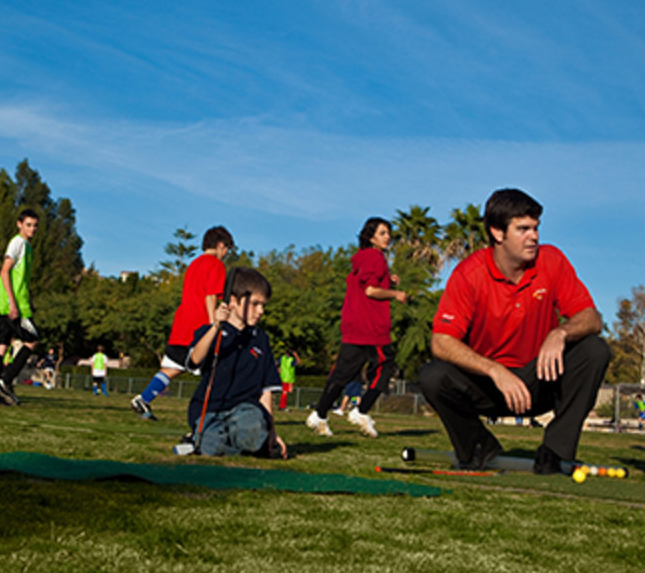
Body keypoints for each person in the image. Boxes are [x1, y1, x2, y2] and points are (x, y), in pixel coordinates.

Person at [419, 189, 609, 472]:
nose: (533, 236)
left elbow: (592, 317)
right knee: (432, 375)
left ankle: (555, 452)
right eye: (523, 229)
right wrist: (495, 371)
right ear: (497, 233)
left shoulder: (552, 260)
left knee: (594, 349)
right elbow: (441, 342)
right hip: (488, 386)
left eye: (535, 228)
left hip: (540, 380)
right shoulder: (468, 274)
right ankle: (478, 447)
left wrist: (560, 334)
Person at [307, 217, 408, 438]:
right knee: (385, 367)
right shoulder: (375, 257)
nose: (388, 237)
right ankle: (361, 412)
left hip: (354, 324)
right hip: (371, 327)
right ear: (371, 237)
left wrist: (387, 281)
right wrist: (395, 293)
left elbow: (363, 282)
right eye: (382, 233)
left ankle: (320, 414)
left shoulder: (362, 258)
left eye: (389, 233)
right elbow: (370, 290)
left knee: (344, 373)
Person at [131, 226, 234, 420]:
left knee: (172, 368)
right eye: (227, 248)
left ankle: (143, 399)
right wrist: (215, 324)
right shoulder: (215, 265)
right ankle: (216, 413)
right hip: (199, 327)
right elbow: (210, 295)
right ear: (220, 245)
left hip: (181, 325)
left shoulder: (193, 264)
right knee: (219, 368)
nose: (226, 253)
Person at [184, 268, 287, 458]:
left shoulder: (261, 339)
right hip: (209, 410)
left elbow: (267, 389)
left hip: (245, 410)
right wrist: (216, 326)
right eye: (255, 304)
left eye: (263, 305)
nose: (261, 311)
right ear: (232, 301)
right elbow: (194, 361)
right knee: (211, 447)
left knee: (253, 430)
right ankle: (209, 440)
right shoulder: (209, 331)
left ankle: (250, 443)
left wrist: (271, 430)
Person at [0, 209, 40, 406]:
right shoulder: (18, 243)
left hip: (1, 302)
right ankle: (4, 381)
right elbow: (5, 271)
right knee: (32, 341)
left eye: (34, 225)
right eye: (28, 224)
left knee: (2, 346)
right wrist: (13, 303)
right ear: (19, 224)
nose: (32, 229)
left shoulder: (27, 247)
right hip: (12, 303)